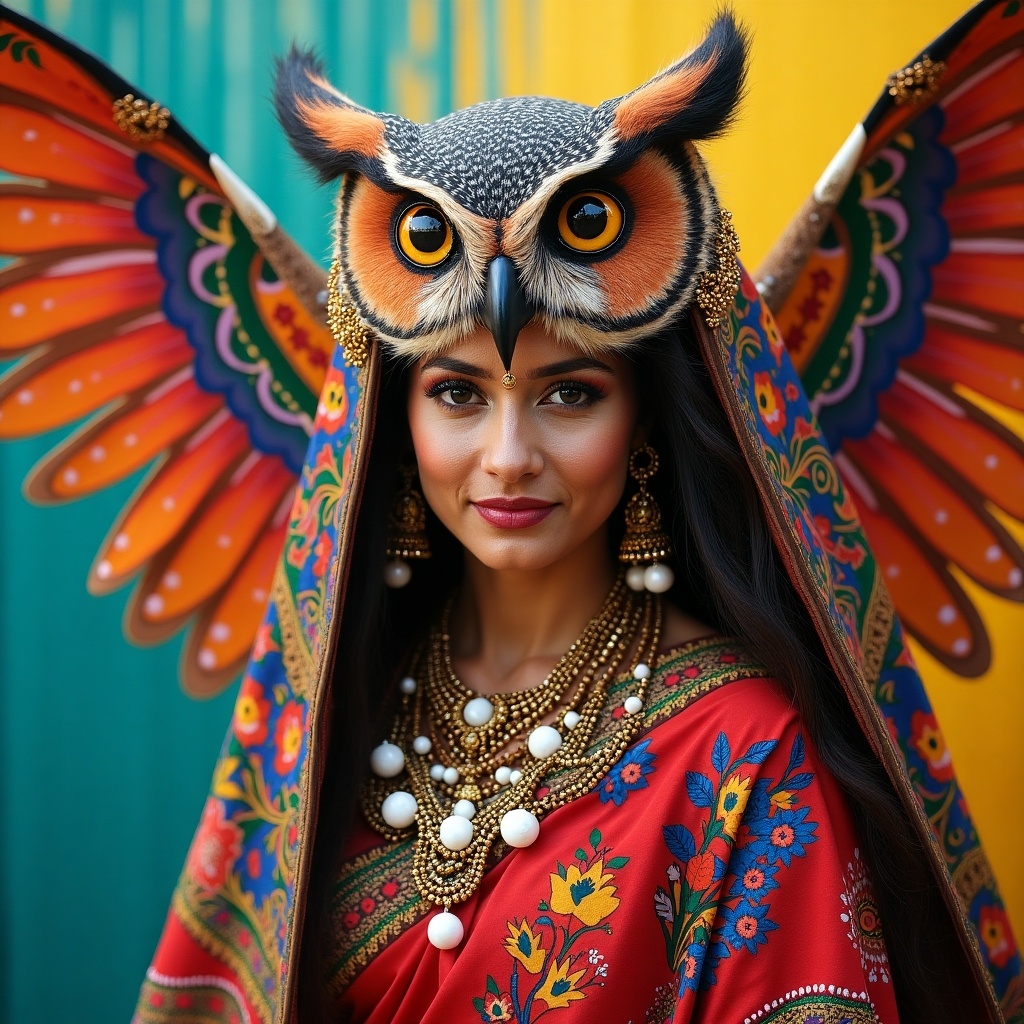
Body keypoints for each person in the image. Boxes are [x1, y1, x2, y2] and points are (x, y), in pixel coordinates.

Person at [123, 7, 1021, 1024]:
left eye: (570, 394)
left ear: (643, 417)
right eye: (458, 394)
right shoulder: (334, 709)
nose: (509, 458)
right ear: (390, 420)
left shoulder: (744, 754)